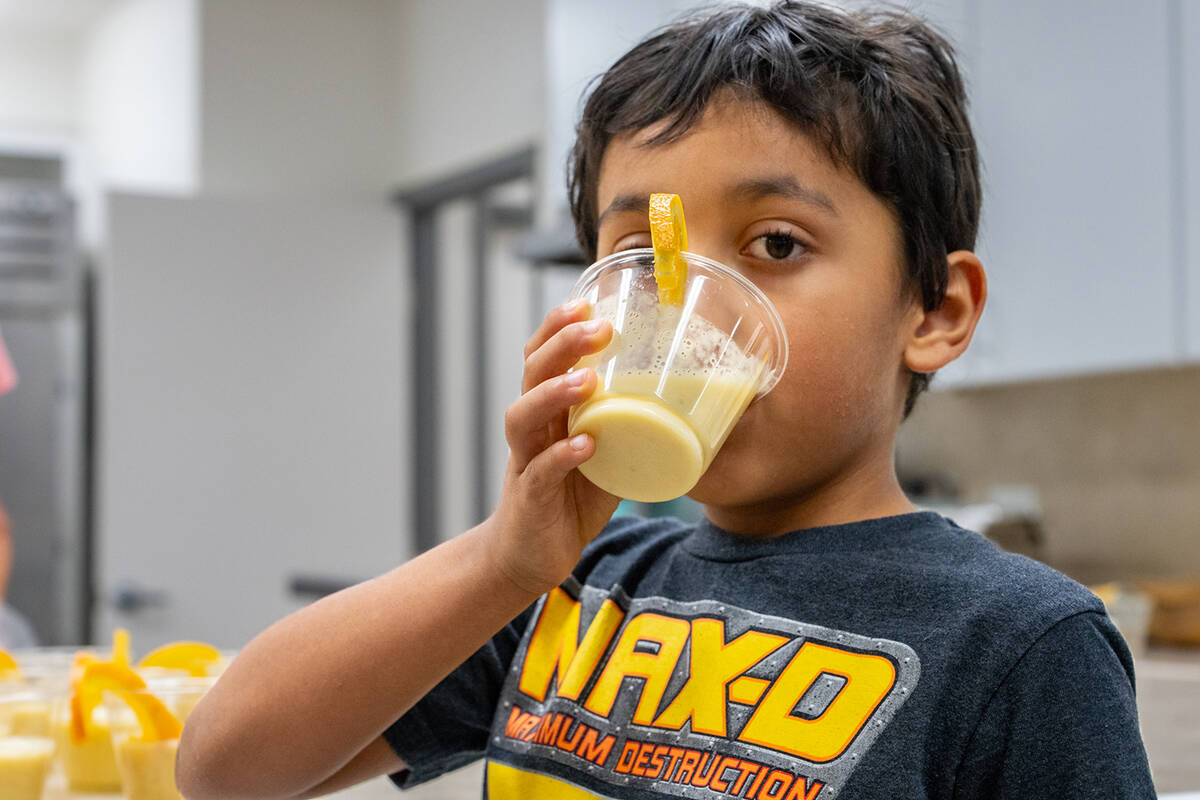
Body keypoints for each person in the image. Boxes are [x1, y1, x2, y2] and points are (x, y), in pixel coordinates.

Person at [177, 3, 1155, 798]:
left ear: (935, 310)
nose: (689, 315)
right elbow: (224, 767)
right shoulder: (573, 587)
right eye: (642, 265)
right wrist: (496, 561)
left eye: (776, 244)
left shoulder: (1020, 640)